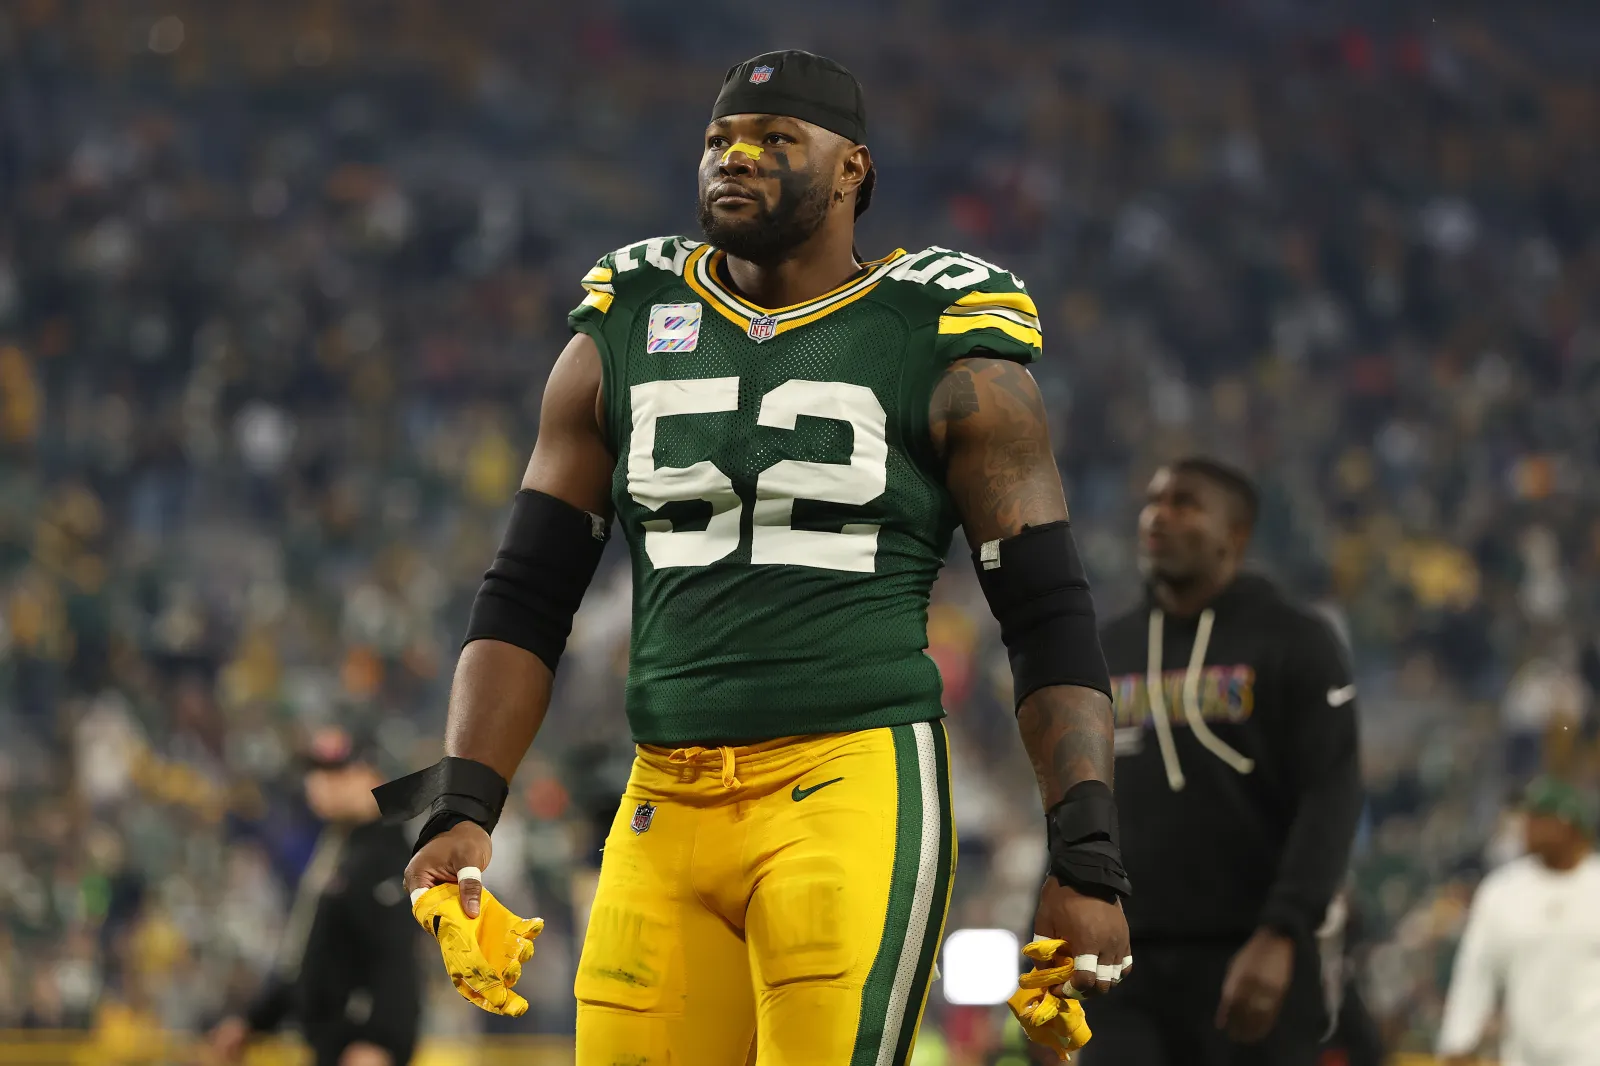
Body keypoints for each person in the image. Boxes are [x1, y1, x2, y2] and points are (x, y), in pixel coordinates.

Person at [374, 49, 1130, 1066]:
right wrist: (465, 801)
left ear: (852, 170)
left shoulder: (942, 336)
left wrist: (1085, 858)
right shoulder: (626, 322)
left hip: (850, 781)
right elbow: (525, 592)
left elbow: (1044, 615)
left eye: (774, 141)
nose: (735, 159)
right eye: (719, 141)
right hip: (664, 797)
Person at [1086, 458, 1363, 1066]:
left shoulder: (1296, 640)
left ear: (1233, 535)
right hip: (1124, 966)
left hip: (1250, 954)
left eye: (1184, 503)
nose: (1157, 516)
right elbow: (1075, 802)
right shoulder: (1107, 648)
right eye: (1153, 501)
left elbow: (1332, 794)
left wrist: (1284, 931)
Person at [209, 727, 419, 1066]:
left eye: (336, 772)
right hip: (330, 1044)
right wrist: (254, 1020)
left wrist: (382, 1041)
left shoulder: (385, 853)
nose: (319, 783)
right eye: (316, 772)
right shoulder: (338, 848)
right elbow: (308, 959)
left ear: (371, 774)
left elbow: (395, 960)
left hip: (361, 1050)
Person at [1437, 776, 1600, 1066]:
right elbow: (1476, 971)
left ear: (1571, 825)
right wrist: (1459, 1040)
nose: (1528, 826)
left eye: (1540, 818)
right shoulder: (1502, 891)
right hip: (1524, 1056)